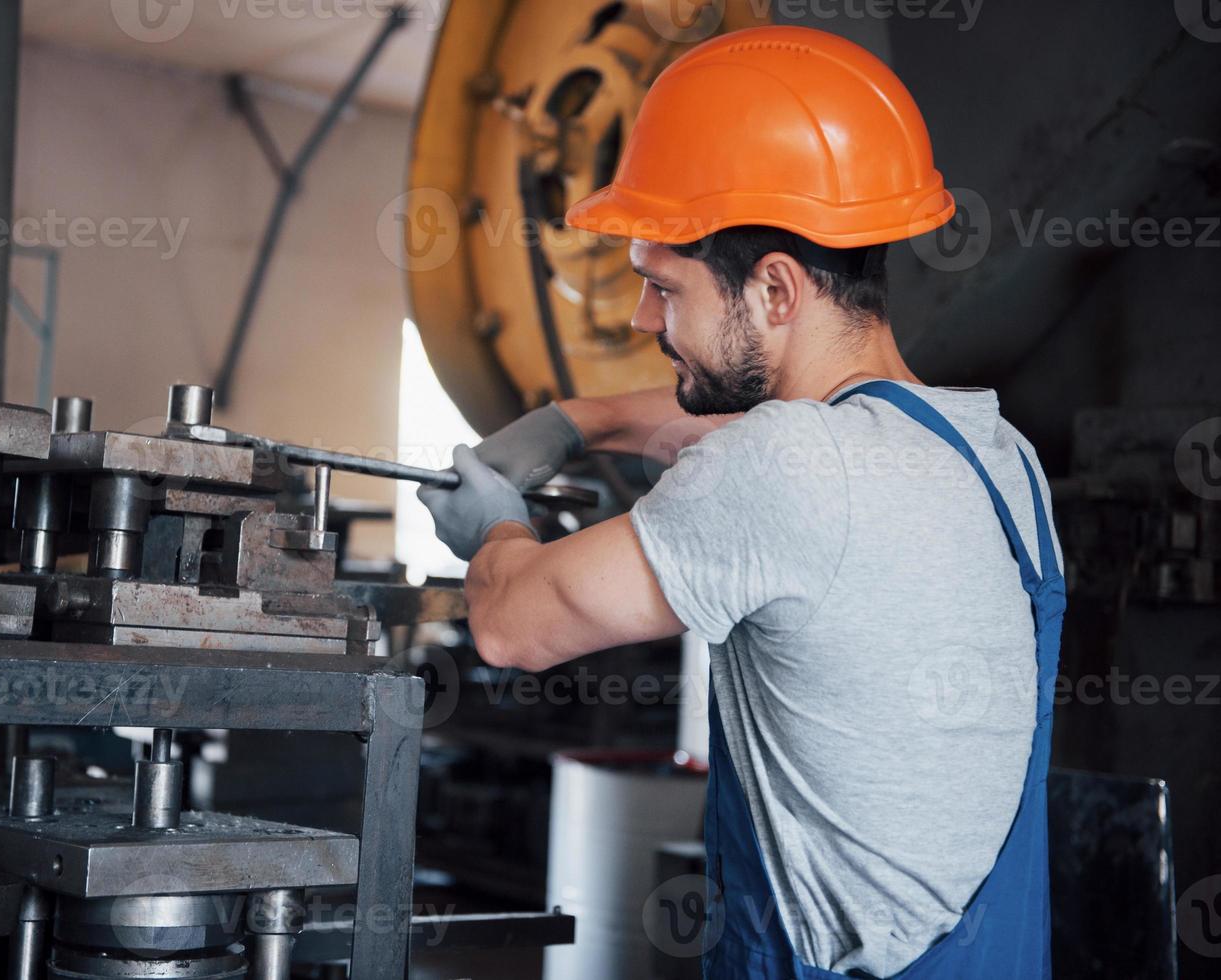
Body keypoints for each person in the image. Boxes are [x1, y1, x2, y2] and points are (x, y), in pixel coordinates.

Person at [417, 24, 1065, 980]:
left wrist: (492, 526)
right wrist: (575, 420)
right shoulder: (994, 456)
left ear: (772, 290)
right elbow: (743, 450)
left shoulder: (787, 470)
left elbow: (515, 626)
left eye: (662, 288)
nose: (642, 320)